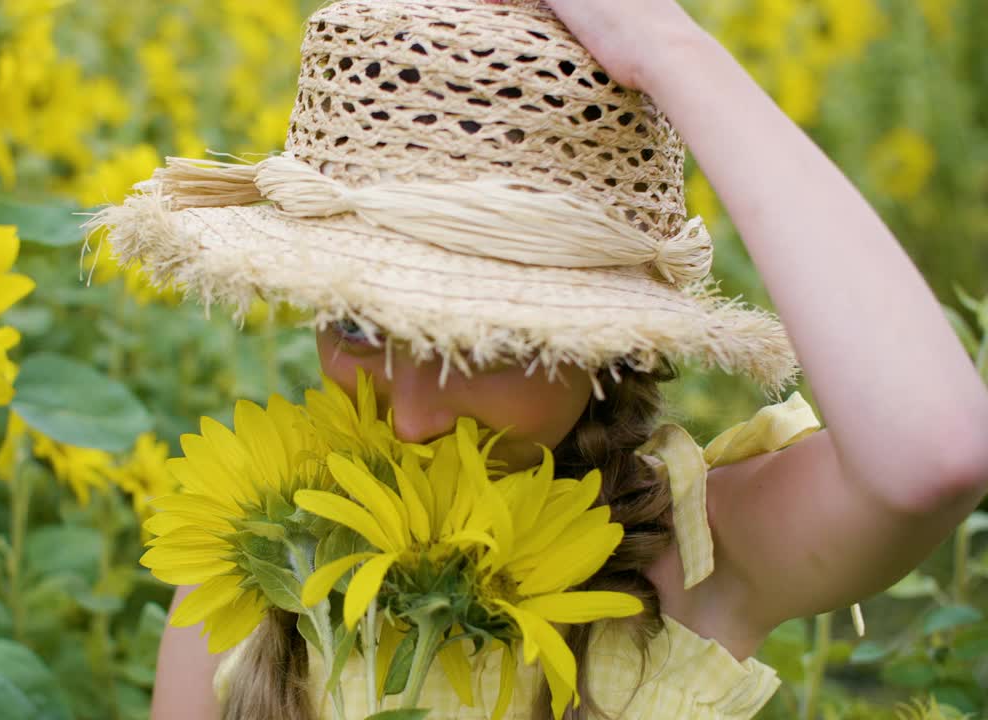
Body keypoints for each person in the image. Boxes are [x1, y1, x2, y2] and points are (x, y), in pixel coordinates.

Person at [89, 1, 988, 717]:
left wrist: (667, 49)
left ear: (608, 342)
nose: (409, 419)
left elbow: (932, 455)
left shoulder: (695, 569)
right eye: (357, 329)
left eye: (486, 344)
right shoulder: (254, 565)